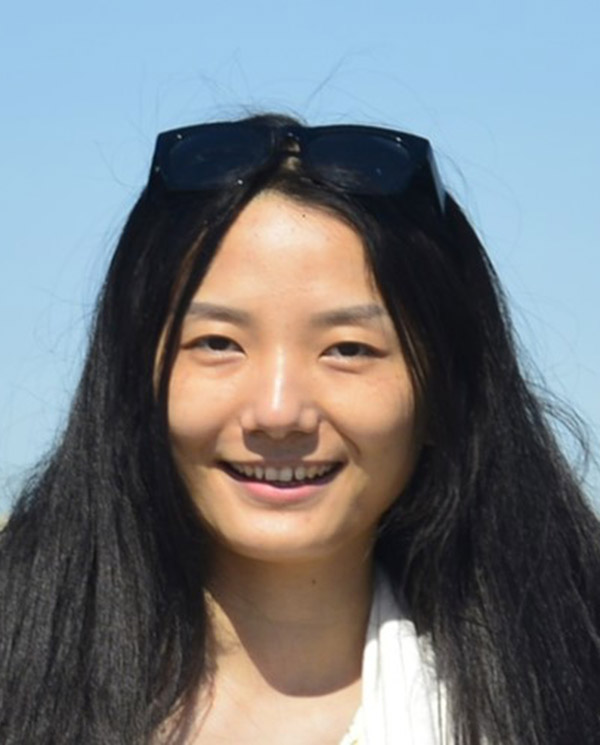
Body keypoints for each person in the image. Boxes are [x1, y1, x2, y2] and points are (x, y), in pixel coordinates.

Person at [1, 113, 599, 745]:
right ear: (131, 379)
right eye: (217, 343)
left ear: (445, 394)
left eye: (348, 349)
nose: (279, 411)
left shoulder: (569, 693)